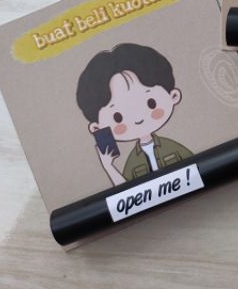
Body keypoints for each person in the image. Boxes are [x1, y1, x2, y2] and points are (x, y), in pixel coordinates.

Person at [76, 42, 192, 185]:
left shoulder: (170, 147)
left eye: (151, 103)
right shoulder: (133, 161)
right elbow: (127, 193)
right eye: (118, 117)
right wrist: (108, 166)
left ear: (173, 96)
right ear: (96, 128)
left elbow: (198, 169)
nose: (138, 118)